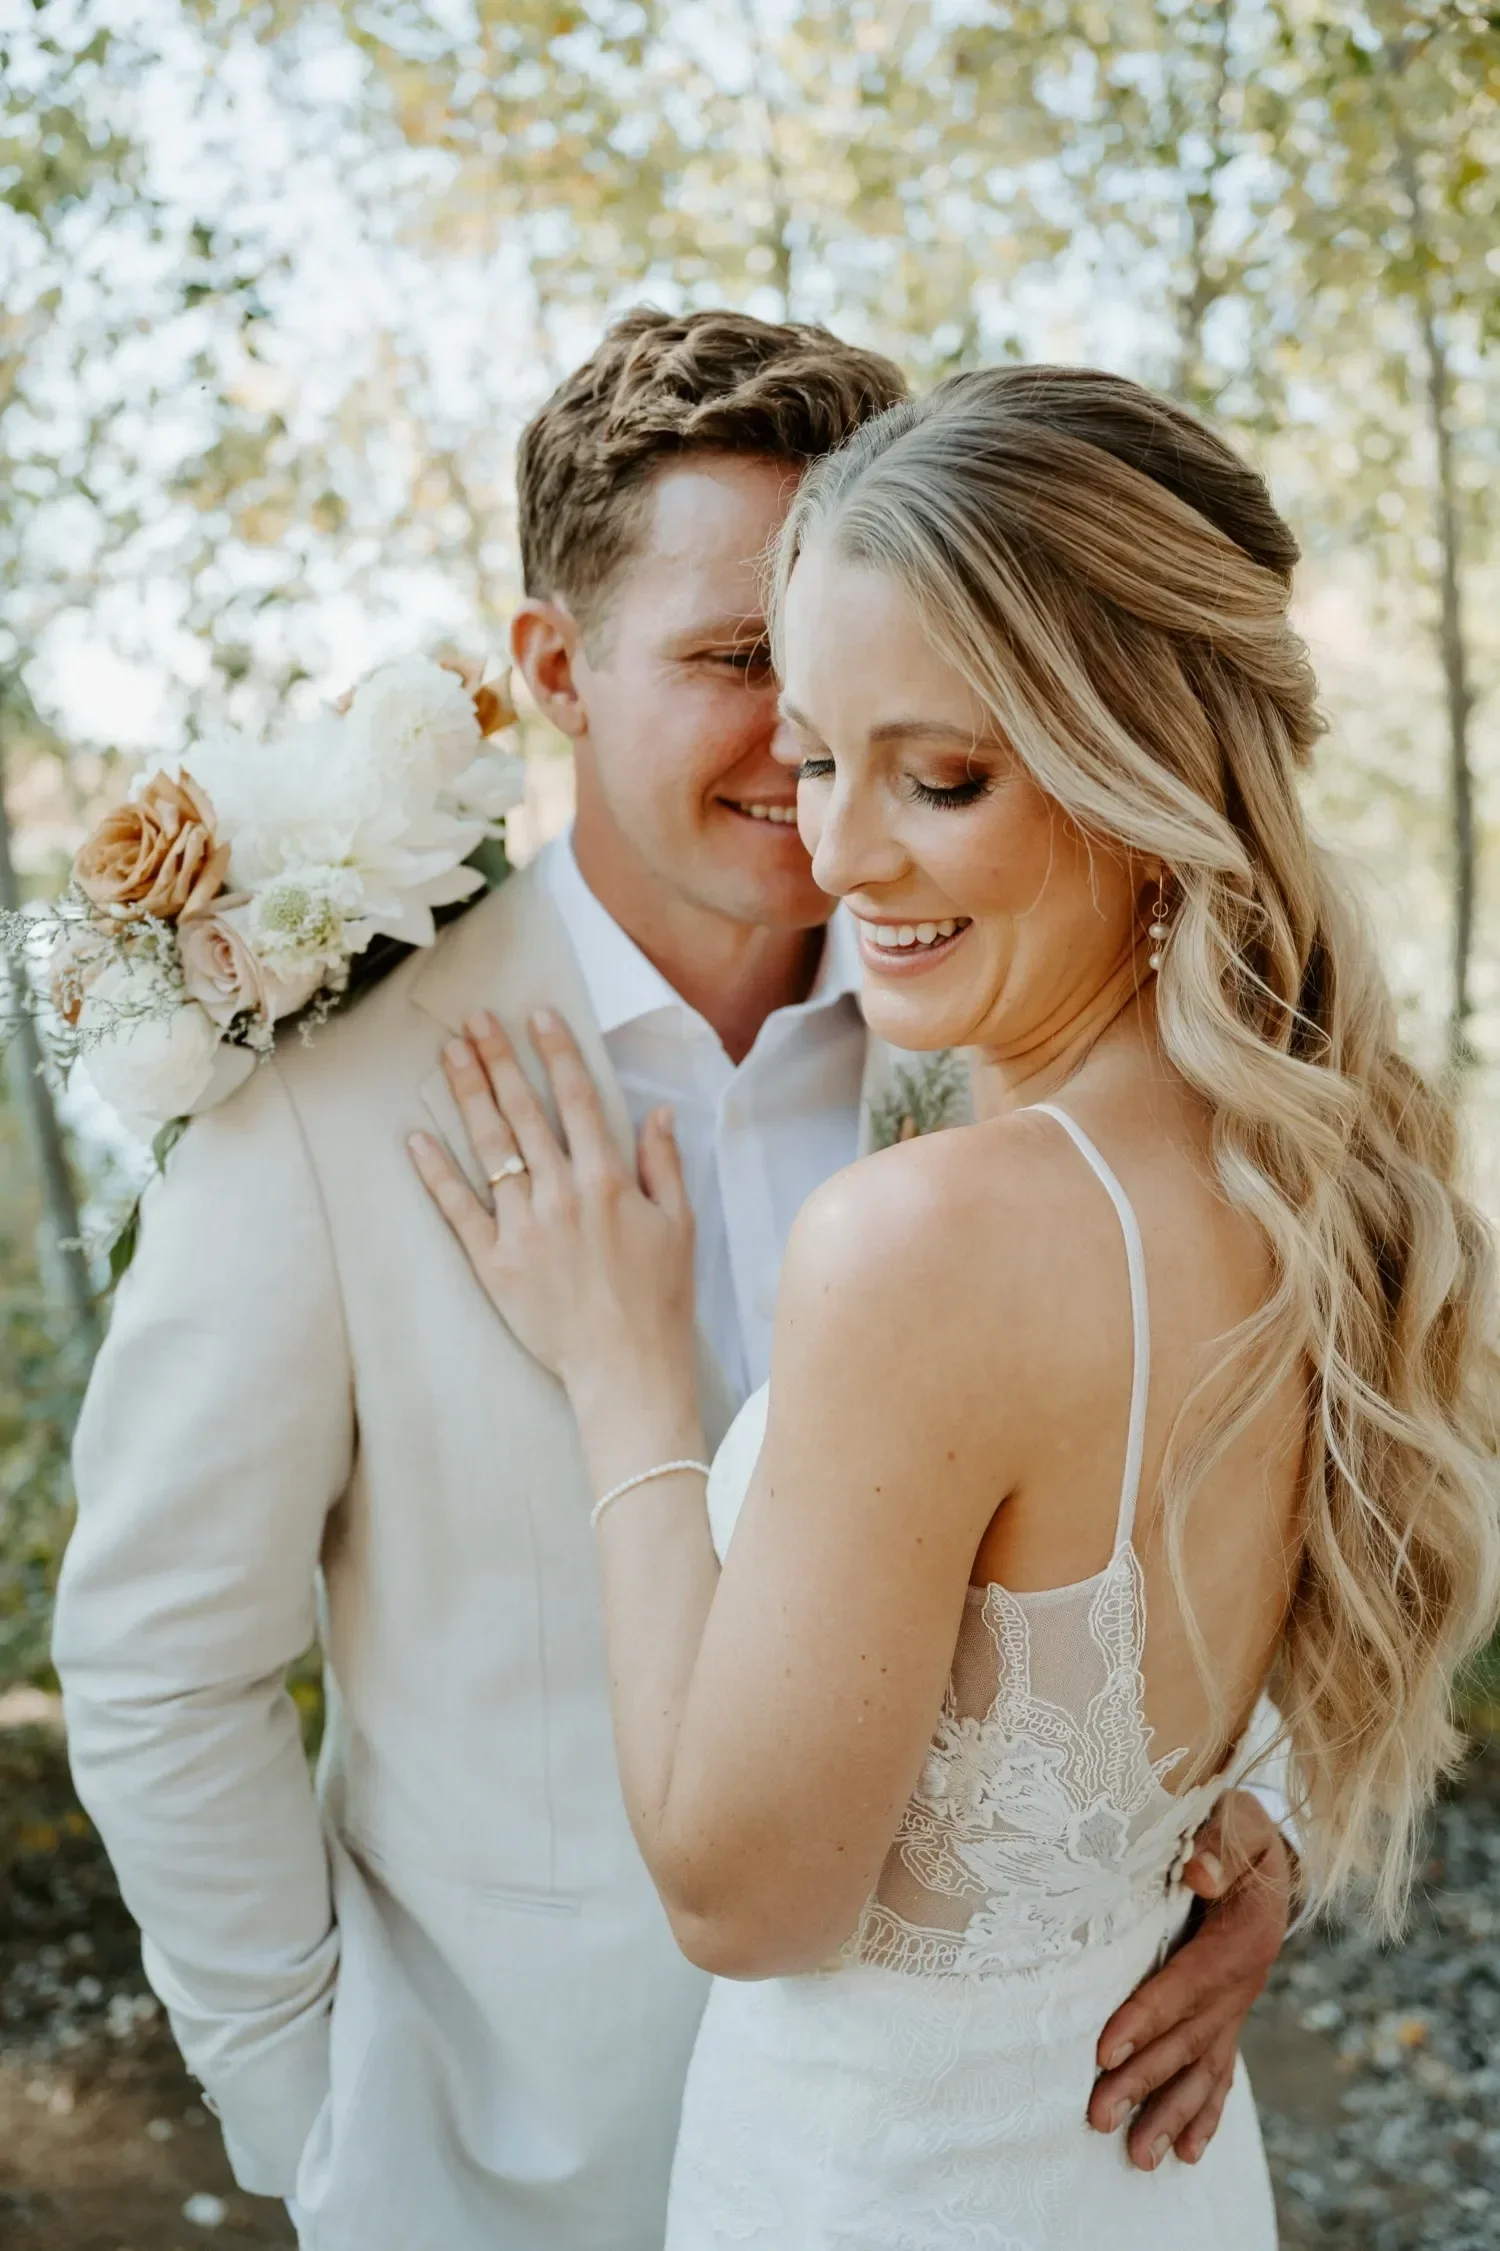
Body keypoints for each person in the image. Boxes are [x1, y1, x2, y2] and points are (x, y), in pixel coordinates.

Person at [58, 317, 1292, 2251]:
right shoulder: (323, 1097)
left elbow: (1155, 1482)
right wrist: (310, 2116)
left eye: (853, 686)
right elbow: (156, 1660)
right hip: (501, 2172)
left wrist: (1243, 1827)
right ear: (553, 665)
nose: (807, 766)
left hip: (961, 2148)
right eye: (739, 667)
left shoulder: (997, 1022)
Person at [413, 364, 1500, 2247]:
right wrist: (1254, 1827)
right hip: (1153, 2180)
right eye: (822, 753)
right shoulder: (1313, 1182)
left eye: (944, 777)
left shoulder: (928, 1238)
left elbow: (750, 1902)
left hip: (882, 2191)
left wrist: (623, 1380)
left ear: (1146, 766)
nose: (838, 851)